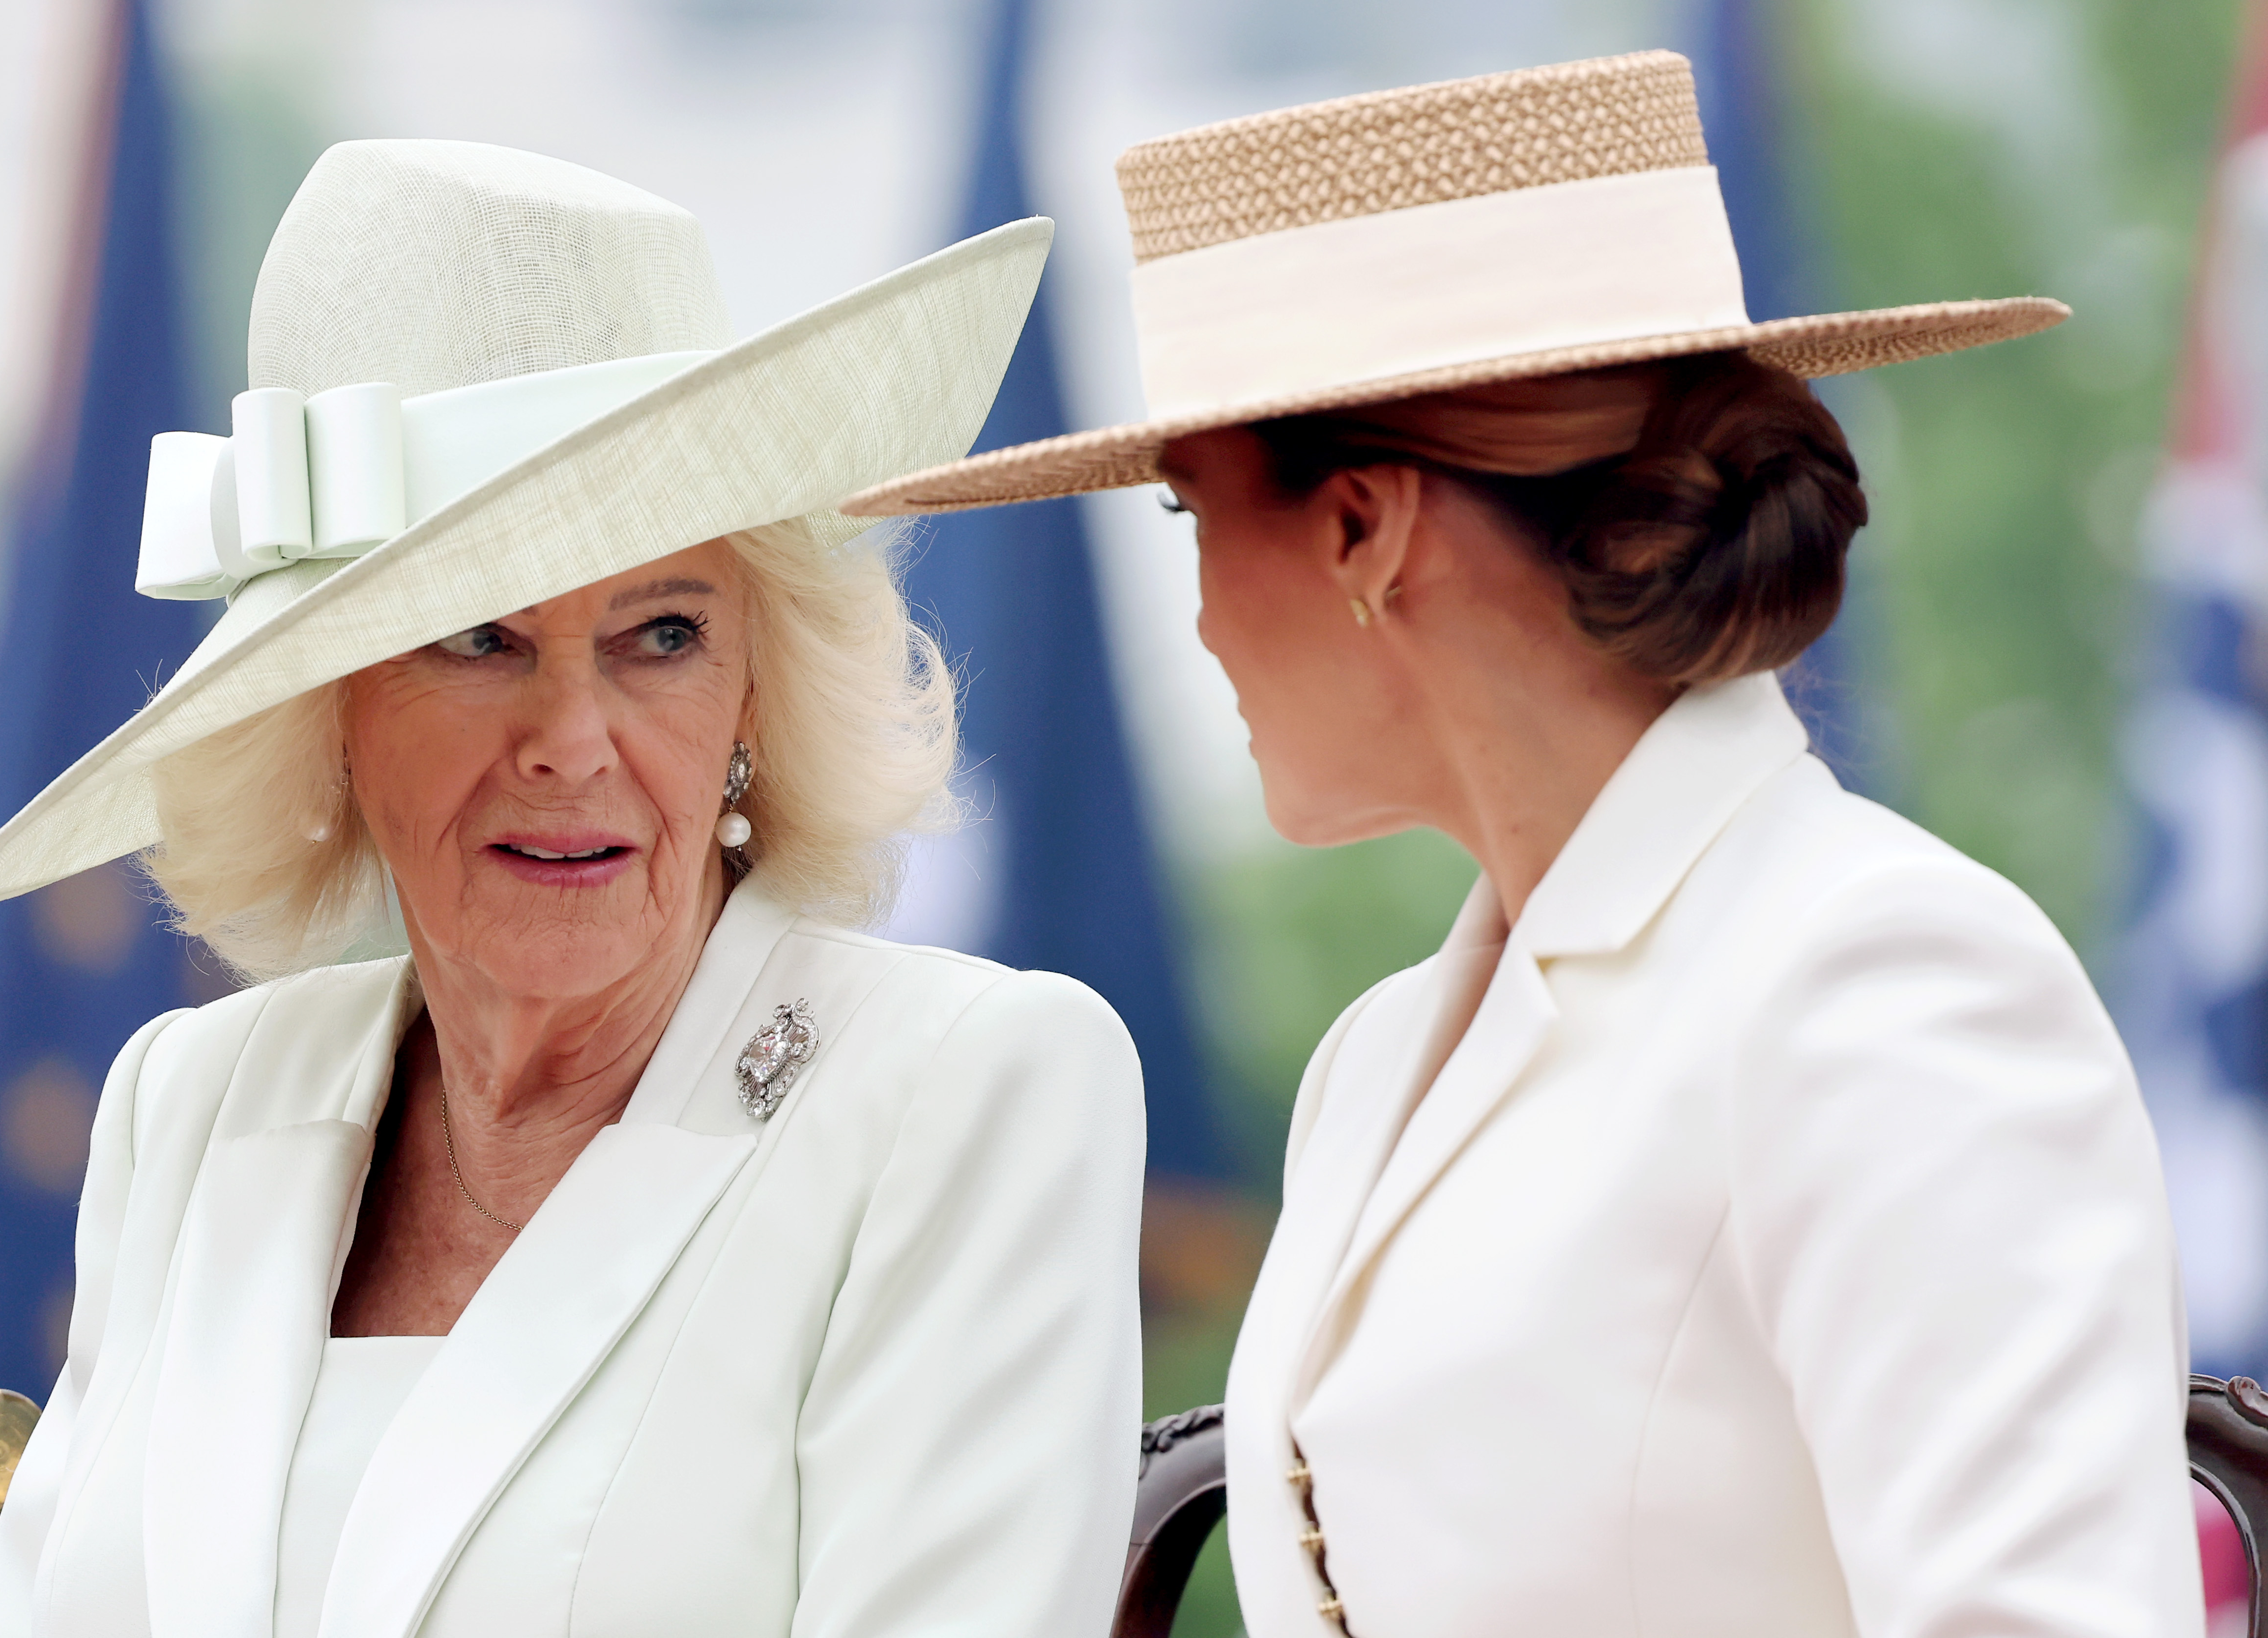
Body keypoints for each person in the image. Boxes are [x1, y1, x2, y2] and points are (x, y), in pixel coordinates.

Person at [850, 49, 2203, 1638]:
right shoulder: (1377, 1064)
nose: (1204, 617)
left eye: (1191, 515)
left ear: (1363, 530)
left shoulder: (1881, 980)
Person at [0, 139, 1145, 1638]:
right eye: (479, 641)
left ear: (757, 692)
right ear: (323, 713)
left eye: (660, 634)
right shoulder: (189, 1100)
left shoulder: (967, 1090)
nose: (574, 746)